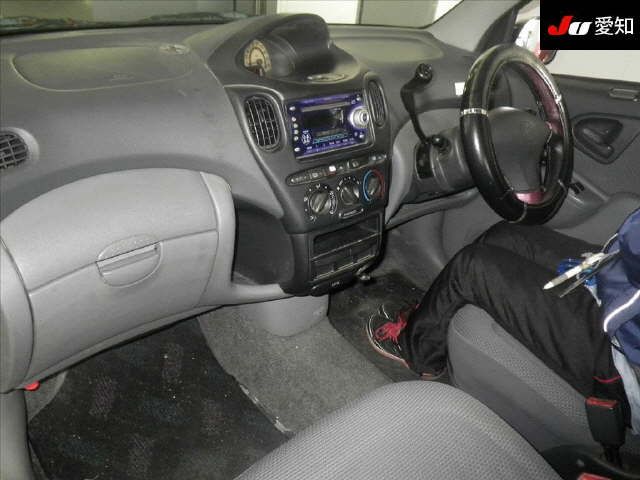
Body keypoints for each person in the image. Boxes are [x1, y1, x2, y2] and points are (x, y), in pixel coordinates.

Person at [366, 221, 626, 404]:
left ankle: (418, 352)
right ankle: (433, 322)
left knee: (470, 267)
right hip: (624, 278)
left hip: (619, 347)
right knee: (506, 234)